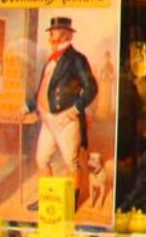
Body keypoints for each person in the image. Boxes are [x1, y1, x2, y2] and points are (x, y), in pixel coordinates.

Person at [24, 16, 98, 206]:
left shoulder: (76, 59)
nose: (50, 34)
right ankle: (46, 199)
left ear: (65, 35)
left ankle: (70, 204)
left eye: (54, 31)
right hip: (47, 119)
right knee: (41, 160)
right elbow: (43, 88)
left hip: (65, 120)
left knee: (70, 163)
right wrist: (27, 106)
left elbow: (91, 88)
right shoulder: (51, 58)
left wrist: (74, 110)